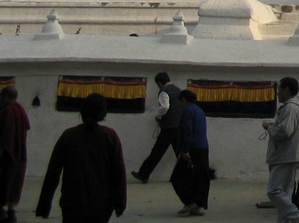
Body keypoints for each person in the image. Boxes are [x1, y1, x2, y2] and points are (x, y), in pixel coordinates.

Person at [36, 93, 127, 222]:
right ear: (103, 114)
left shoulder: (68, 136)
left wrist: (44, 205)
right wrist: (120, 202)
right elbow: (119, 172)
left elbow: (53, 172)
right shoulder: (110, 136)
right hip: (101, 205)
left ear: (82, 112)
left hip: (72, 204)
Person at [263, 77, 299, 223]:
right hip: (289, 155)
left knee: (274, 191)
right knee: (285, 194)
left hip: (284, 156)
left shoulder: (290, 108)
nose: (277, 93)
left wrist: (270, 127)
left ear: (287, 90)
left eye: (279, 90)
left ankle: (297, 216)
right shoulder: (293, 108)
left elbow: (284, 132)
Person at [132, 72, 182, 184]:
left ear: (159, 82)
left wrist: (158, 116)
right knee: (180, 153)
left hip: (168, 127)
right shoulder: (178, 90)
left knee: (157, 152)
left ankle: (143, 174)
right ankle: (189, 176)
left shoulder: (164, 91)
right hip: (178, 126)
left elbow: (165, 107)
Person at [176, 89, 210, 216]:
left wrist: (185, 150)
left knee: (179, 177)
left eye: (180, 101)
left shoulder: (187, 111)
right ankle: (199, 204)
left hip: (193, 149)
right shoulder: (199, 110)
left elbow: (188, 132)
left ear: (184, 100)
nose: (180, 104)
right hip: (203, 147)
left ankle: (191, 201)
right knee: (200, 177)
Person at [0, 87, 29, 223]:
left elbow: (4, 132)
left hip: (7, 154)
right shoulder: (21, 109)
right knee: (15, 183)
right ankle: (11, 212)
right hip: (20, 153)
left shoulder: (7, 110)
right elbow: (26, 127)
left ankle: (1, 212)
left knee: (4, 181)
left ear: (5, 96)